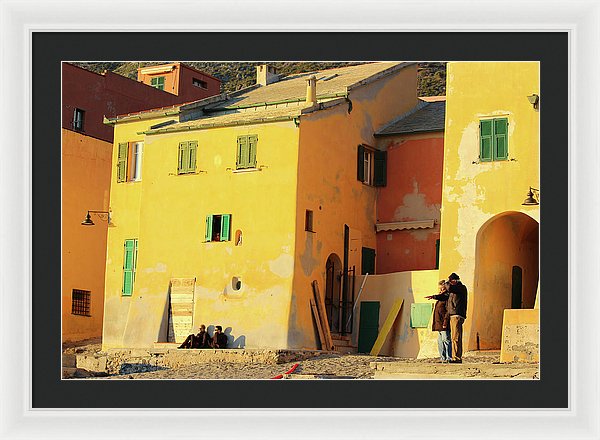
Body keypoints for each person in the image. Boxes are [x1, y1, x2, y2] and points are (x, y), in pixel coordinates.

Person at [425, 280, 452, 362]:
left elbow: (448, 312)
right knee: (440, 342)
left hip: (444, 324)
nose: (440, 291)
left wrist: (445, 322)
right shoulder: (440, 300)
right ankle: (442, 357)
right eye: (440, 289)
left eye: (442, 289)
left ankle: (449, 357)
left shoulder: (447, 299)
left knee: (446, 341)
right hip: (438, 324)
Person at [446, 272, 468, 363]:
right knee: (454, 337)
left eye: (451, 281)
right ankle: (455, 356)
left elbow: (449, 288)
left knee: (456, 337)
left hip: (457, 314)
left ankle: (457, 357)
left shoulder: (460, 288)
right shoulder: (455, 289)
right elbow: (446, 296)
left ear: (454, 281)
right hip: (453, 314)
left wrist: (447, 283)